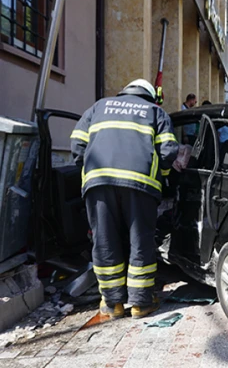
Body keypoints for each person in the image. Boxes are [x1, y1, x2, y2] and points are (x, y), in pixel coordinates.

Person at [70, 79, 178, 320]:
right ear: (150, 96)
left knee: (105, 240)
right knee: (140, 241)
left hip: (99, 182)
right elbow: (168, 151)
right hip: (140, 185)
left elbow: (77, 145)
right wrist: (164, 176)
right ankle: (141, 304)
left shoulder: (98, 107)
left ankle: (113, 305)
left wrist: (88, 169)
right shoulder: (155, 112)